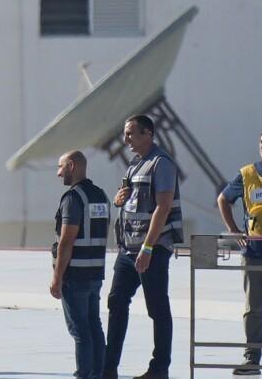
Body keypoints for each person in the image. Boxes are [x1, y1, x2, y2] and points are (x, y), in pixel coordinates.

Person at [105, 115, 182, 379]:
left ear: (148, 133)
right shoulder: (135, 164)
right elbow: (131, 199)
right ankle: (108, 367)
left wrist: (148, 247)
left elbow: (163, 206)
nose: (125, 138)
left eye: (130, 133)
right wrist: (119, 199)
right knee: (116, 302)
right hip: (128, 249)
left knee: (157, 308)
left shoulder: (162, 163)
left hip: (152, 248)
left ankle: (159, 369)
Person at [51, 151, 109, 379]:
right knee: (94, 326)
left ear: (72, 166)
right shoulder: (101, 195)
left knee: (80, 331)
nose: (58, 173)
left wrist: (57, 278)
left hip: (75, 275)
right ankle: (98, 374)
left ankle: (83, 375)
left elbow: (66, 241)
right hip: (95, 273)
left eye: (60, 167)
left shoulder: (73, 198)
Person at [217, 128, 262, 376]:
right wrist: (233, 230)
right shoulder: (247, 174)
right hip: (255, 253)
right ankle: (252, 359)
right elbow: (223, 199)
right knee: (253, 309)